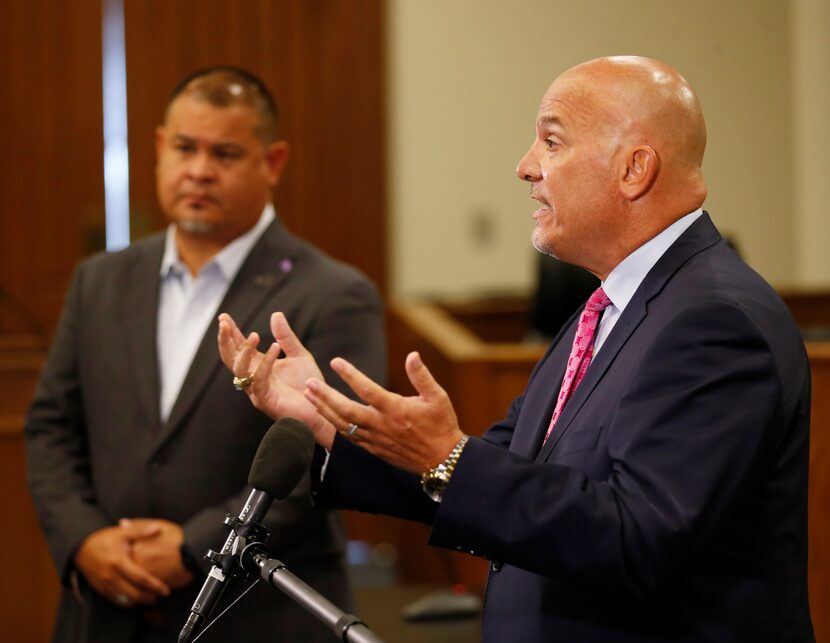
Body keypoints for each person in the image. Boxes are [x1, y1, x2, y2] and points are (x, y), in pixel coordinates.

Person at [218, 56, 815, 642]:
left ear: (635, 169)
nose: (526, 166)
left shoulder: (714, 319)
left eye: (551, 143)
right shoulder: (609, 303)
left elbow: (641, 536)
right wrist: (326, 424)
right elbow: (506, 470)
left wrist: (448, 457)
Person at [25, 66, 386, 643]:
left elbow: (332, 458)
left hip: (255, 615)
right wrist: (83, 538)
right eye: (185, 148)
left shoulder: (335, 293)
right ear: (160, 148)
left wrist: (195, 547)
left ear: (272, 163)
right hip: (104, 612)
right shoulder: (99, 279)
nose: (198, 170)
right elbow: (50, 428)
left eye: (224, 153)